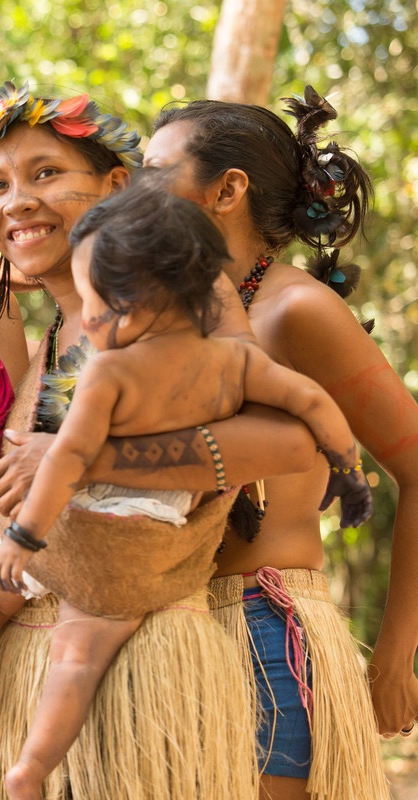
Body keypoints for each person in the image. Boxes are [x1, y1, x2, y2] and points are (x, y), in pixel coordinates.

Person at [0, 80, 318, 800]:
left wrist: (88, 459)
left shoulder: (190, 299)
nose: (15, 203)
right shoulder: (36, 337)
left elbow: (284, 440)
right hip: (26, 668)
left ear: (118, 186)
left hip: (142, 664)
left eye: (45, 173)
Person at [145, 87, 413, 799]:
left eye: (155, 171)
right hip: (170, 641)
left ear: (228, 188)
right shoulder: (158, 319)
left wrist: (394, 657)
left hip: (265, 635)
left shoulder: (298, 308)